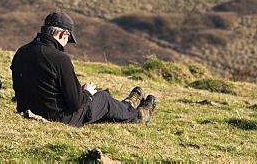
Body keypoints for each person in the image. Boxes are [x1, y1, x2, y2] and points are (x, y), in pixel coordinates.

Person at [11, 11, 157, 126]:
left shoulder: (21, 51)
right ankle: (138, 115)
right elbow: (76, 104)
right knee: (103, 98)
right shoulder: (59, 58)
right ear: (63, 34)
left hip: (29, 109)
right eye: (68, 38)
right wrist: (87, 93)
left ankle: (127, 105)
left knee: (92, 97)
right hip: (59, 118)